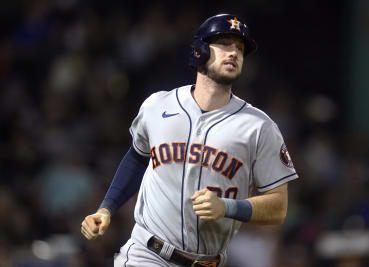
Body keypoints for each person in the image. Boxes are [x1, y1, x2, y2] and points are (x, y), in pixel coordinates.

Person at [81, 14, 299, 267]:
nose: (234, 53)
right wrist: (106, 208)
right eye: (225, 44)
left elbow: (278, 206)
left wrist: (228, 207)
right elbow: (137, 157)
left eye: (240, 48)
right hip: (147, 254)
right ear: (200, 51)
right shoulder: (157, 105)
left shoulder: (259, 126)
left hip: (209, 261)